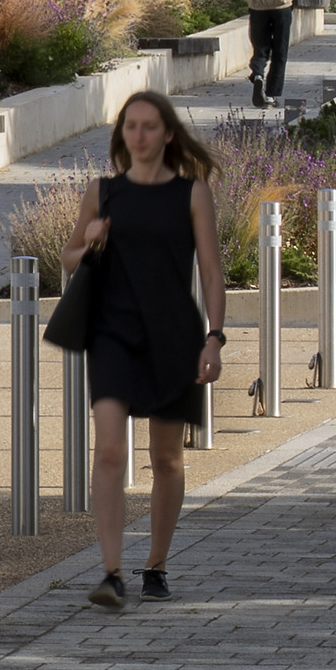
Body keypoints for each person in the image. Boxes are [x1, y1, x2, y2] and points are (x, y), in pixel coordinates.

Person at [72, 88, 227, 610]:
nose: (139, 135)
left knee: (167, 458)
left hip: (173, 334)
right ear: (122, 136)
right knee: (110, 449)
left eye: (149, 126)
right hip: (113, 334)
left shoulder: (191, 193)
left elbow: (209, 270)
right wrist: (88, 237)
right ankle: (111, 571)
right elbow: (70, 259)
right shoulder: (102, 192)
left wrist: (214, 337)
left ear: (167, 135)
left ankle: (155, 565)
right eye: (130, 127)